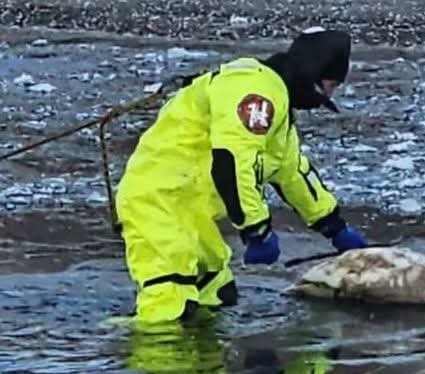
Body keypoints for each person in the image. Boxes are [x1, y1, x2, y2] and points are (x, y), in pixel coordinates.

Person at [115, 27, 368, 324]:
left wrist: (334, 227)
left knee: (216, 293)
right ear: (314, 73)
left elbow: (292, 173)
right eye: (331, 85)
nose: (329, 95)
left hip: (190, 211)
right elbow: (232, 161)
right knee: (170, 303)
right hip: (157, 201)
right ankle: (142, 349)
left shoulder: (276, 106)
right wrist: (256, 230)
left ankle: (200, 351)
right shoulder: (253, 92)